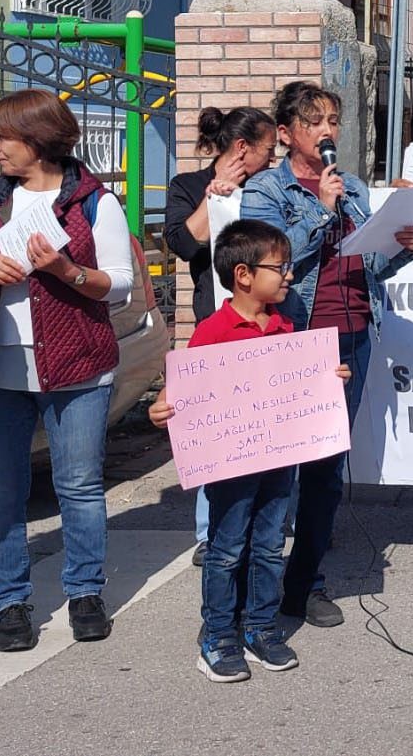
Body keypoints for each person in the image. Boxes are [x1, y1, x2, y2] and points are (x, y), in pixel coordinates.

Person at [240, 82, 413, 628]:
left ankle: (306, 584)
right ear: (287, 132)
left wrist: (403, 249)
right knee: (279, 468)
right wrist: (320, 209)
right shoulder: (265, 189)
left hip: (354, 333)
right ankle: (256, 586)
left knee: (325, 467)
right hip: (295, 335)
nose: (326, 131)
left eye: (333, 120)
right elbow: (267, 259)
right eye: (314, 120)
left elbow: (371, 266)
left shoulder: (356, 188)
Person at [0, 90, 136, 651]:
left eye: (3, 138)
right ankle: (9, 603)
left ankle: (85, 592)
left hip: (77, 365)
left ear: (37, 141)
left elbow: (121, 283)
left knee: (79, 486)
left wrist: (66, 269)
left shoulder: (92, 202)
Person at [149, 219, 351, 681]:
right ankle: (217, 635)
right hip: (232, 469)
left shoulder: (285, 326)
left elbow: (297, 386)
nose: (289, 276)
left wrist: (328, 377)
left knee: (268, 545)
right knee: (226, 549)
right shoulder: (213, 332)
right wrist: (162, 410)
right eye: (279, 268)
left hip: (279, 463)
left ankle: (261, 626)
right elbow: (185, 395)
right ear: (243, 275)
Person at [163, 105, 278, 566]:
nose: (273, 159)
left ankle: (268, 525)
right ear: (242, 147)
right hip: (218, 323)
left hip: (269, 325)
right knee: (221, 432)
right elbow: (182, 244)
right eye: (268, 151)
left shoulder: (269, 188)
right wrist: (214, 199)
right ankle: (211, 532)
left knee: (266, 428)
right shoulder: (187, 187)